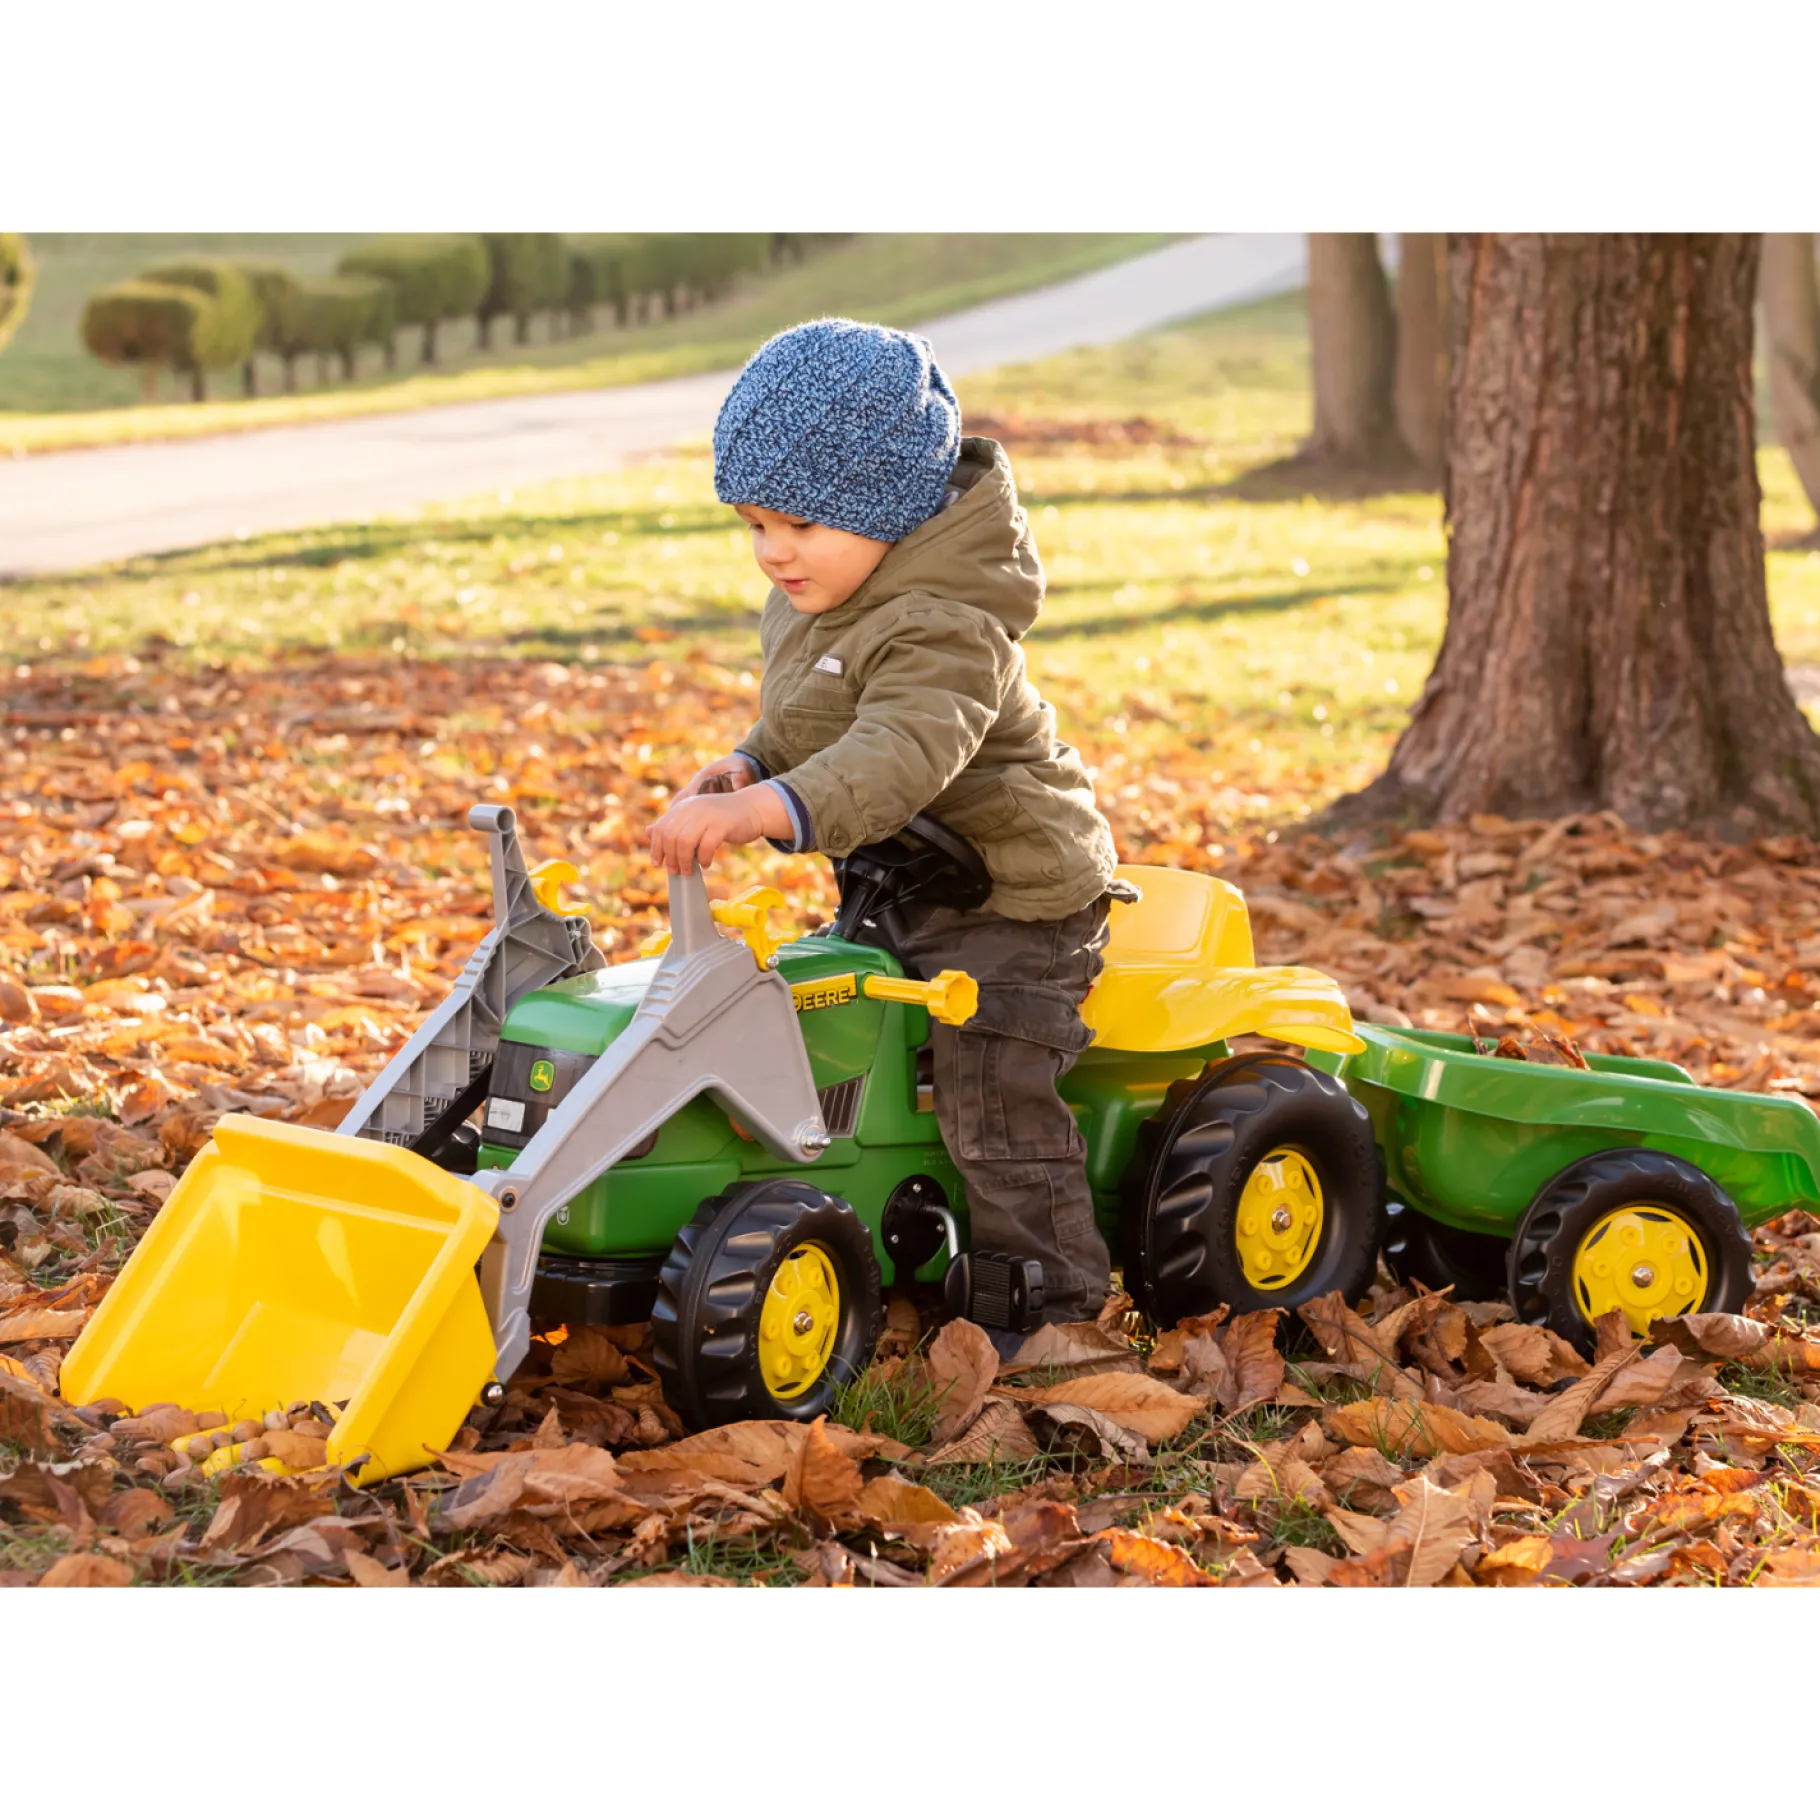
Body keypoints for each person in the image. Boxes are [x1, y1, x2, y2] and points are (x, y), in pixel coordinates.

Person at [645, 317, 1128, 1342]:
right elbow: (815, 718)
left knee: (989, 1095)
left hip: (1012, 902)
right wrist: (752, 761)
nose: (773, 550)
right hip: (900, 884)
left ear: (886, 510)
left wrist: (759, 811)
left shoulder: (945, 622)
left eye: (799, 524)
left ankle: (1047, 1311)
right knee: (830, 1046)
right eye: (752, 524)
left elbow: (898, 750)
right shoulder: (831, 586)